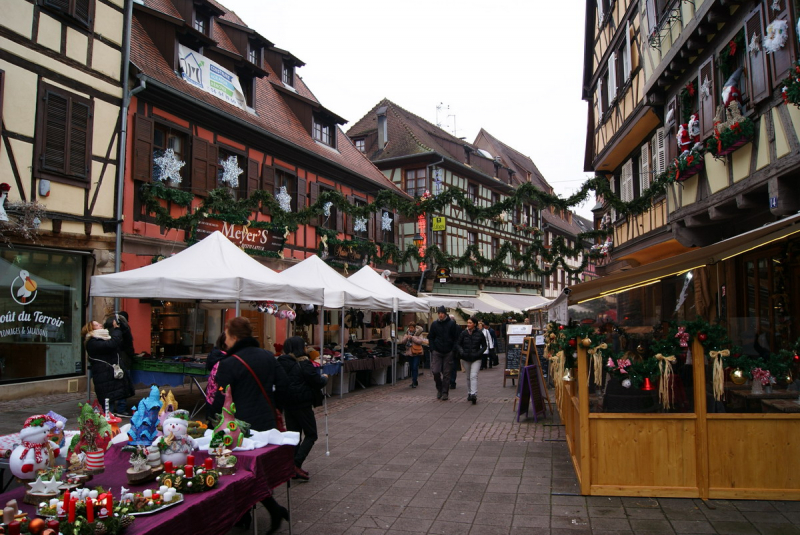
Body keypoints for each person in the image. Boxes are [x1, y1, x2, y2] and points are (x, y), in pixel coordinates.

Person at [209, 317, 289, 535]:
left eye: (226, 334)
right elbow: (283, 386)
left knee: (239, 470)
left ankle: (254, 513)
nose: (224, 338)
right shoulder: (267, 356)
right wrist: (273, 407)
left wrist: (212, 422)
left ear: (233, 336)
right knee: (254, 469)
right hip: (266, 422)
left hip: (240, 427)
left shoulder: (229, 363)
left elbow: (220, 399)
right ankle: (255, 513)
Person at [277, 336, 328, 480]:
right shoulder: (304, 363)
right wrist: (324, 378)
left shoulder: (281, 362)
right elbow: (316, 381)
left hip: (288, 403)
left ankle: (291, 467)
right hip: (302, 403)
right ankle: (295, 464)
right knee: (311, 434)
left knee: (294, 436)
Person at [82, 317, 135, 416]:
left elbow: (124, 343)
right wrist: (117, 329)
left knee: (116, 392)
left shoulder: (105, 337)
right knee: (108, 397)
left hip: (110, 372)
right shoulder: (92, 342)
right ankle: (108, 416)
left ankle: (119, 411)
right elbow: (112, 344)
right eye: (97, 325)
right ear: (91, 330)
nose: (101, 325)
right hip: (103, 373)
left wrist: (123, 328)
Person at [428, 306, 459, 401]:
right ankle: (439, 388)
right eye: (439, 313)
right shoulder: (434, 324)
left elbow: (456, 338)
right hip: (437, 351)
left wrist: (453, 350)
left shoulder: (451, 324)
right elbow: (431, 337)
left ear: (445, 314)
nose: (440, 315)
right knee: (435, 371)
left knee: (446, 373)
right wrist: (432, 349)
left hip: (448, 351)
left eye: (442, 313)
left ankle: (445, 392)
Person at [456, 316, 487, 404]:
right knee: (468, 376)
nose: (468, 324)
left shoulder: (480, 333)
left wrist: (478, 353)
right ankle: (469, 392)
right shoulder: (463, 333)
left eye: (470, 323)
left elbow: (484, 346)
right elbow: (458, 344)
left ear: (475, 324)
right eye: (468, 322)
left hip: (476, 358)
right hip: (465, 358)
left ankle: (474, 394)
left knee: (473, 375)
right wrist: (462, 353)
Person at [400, 322, 426, 388]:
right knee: (412, 367)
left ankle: (414, 381)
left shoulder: (418, 333)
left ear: (414, 328)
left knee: (415, 366)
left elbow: (420, 341)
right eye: (409, 327)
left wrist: (413, 338)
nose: (410, 329)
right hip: (409, 352)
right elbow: (403, 341)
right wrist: (407, 338)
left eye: (412, 327)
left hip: (417, 352)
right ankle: (415, 380)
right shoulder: (407, 333)